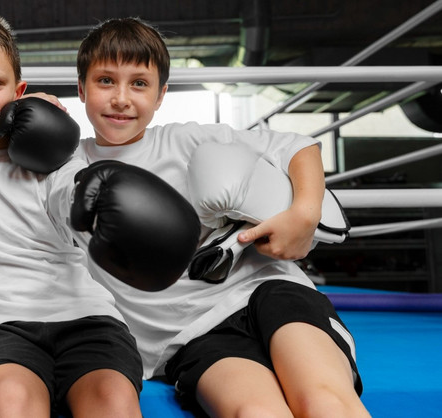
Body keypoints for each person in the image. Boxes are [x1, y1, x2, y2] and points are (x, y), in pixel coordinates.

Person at [0, 8, 196, 418]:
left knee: (114, 404)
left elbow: (67, 196)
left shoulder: (52, 153)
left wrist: (95, 203)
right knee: (13, 403)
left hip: (86, 315)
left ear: (19, 91)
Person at [72, 17, 370, 418]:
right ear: (81, 89)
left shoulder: (186, 139)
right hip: (187, 337)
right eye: (105, 81)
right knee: (256, 413)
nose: (121, 98)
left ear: (160, 96)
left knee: (323, 402)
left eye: (139, 83)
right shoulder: (63, 169)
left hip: (267, 291)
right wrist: (35, 111)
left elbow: (297, 146)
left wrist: (303, 215)